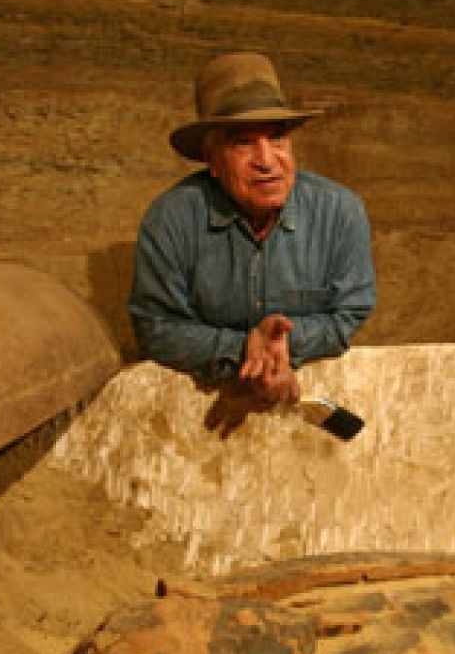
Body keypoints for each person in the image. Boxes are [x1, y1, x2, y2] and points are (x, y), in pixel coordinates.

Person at [128, 52, 376, 406]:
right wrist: (244, 347)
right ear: (212, 159)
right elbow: (156, 328)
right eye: (243, 142)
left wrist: (284, 343)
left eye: (277, 139)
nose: (266, 161)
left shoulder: (339, 212)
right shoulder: (171, 219)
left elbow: (350, 313)